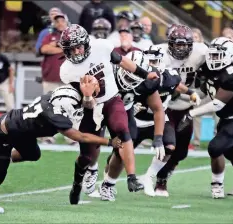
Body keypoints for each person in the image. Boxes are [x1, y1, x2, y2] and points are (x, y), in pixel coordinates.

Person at [59, 24, 161, 204]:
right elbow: (85, 103)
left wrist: (145, 74)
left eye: (79, 46)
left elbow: (122, 61)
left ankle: (131, 177)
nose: (76, 52)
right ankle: (79, 181)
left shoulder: (101, 47)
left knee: (123, 130)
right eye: (71, 49)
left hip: (112, 99)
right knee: (86, 156)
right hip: (90, 109)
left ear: (86, 43)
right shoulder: (67, 71)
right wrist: (88, 95)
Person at [0, 85, 122, 198]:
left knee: (33, 154)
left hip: (21, 131)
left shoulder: (54, 98)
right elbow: (80, 137)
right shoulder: (55, 115)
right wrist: (109, 141)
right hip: (4, 132)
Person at [178, 37, 233, 199]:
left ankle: (217, 185)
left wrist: (191, 113)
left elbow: (217, 104)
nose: (213, 59)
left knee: (215, 148)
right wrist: (185, 96)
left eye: (217, 56)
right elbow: (202, 91)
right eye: (212, 55)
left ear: (229, 56)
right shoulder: (207, 68)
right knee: (232, 150)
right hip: (229, 117)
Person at [84, 51, 166, 201]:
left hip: (124, 112)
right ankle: (92, 168)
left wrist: (159, 136)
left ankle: (108, 185)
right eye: (127, 75)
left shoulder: (148, 80)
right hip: (100, 107)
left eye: (133, 78)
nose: (128, 80)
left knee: (125, 145)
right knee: (92, 144)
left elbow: (158, 109)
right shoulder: (107, 70)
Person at [133, 46, 201, 197]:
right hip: (137, 120)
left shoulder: (169, 76)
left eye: (155, 61)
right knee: (119, 152)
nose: (152, 66)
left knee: (170, 147)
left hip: (159, 118)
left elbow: (176, 85)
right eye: (149, 61)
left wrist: (190, 92)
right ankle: (108, 182)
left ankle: (149, 177)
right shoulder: (135, 76)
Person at [148, 25, 208, 197]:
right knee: (169, 146)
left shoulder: (201, 51)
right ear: (170, 43)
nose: (181, 48)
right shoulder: (159, 53)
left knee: (181, 152)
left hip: (186, 107)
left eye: (184, 45)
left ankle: (163, 174)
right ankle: (157, 179)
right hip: (166, 105)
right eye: (177, 44)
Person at [40, 13, 69, 94]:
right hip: (50, 78)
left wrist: (54, 45)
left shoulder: (72, 36)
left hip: (67, 80)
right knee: (48, 104)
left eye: (62, 21)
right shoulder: (49, 36)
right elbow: (44, 49)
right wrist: (63, 48)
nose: (60, 23)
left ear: (67, 23)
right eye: (57, 21)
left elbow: (74, 50)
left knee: (66, 104)